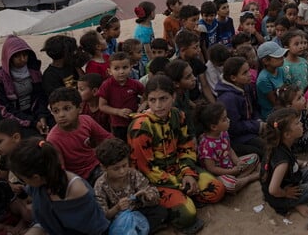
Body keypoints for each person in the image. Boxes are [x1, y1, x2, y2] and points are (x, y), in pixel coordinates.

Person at [128, 76, 225, 234]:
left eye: (163, 99)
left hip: (179, 168)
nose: (158, 105)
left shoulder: (178, 116)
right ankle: (184, 196)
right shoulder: (140, 127)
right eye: (152, 100)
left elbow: (186, 146)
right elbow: (145, 169)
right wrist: (180, 183)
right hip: (155, 180)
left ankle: (186, 194)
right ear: (147, 100)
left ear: (173, 97)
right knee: (187, 214)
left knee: (217, 190)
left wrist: (188, 173)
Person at [9, 139, 109, 235]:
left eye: (23, 179)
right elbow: (44, 221)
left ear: (36, 177)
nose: (25, 183)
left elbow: (95, 229)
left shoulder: (76, 190)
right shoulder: (38, 185)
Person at [260, 108, 308, 234]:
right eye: (297, 123)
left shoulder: (280, 146)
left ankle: (298, 202)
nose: (301, 124)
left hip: (288, 182)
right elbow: (273, 189)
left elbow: (290, 162)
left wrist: (302, 163)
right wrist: (285, 193)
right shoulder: (282, 161)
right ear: (287, 134)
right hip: (280, 197)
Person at [94, 138, 168, 233]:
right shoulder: (100, 185)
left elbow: (151, 192)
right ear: (103, 167)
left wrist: (147, 196)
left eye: (124, 165)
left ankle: (137, 229)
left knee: (161, 212)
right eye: (116, 169)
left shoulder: (133, 174)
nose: (122, 171)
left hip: (138, 212)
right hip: (116, 220)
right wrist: (117, 208)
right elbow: (103, 215)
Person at [46, 87, 113, 185]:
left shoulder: (86, 120)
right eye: (56, 111)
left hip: (97, 166)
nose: (61, 115)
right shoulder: (53, 139)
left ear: (80, 108)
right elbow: (60, 171)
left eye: (67, 109)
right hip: (76, 178)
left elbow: (108, 139)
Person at [0, 35, 50, 138]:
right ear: (9, 57)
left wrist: (42, 117)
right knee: (31, 140)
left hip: (34, 112)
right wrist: (32, 123)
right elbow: (3, 109)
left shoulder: (34, 71)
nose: (22, 59)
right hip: (10, 118)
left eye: (25, 55)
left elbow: (40, 97)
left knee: (54, 130)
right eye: (17, 56)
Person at [196, 103, 260, 194]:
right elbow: (211, 168)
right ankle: (249, 178)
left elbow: (229, 149)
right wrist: (230, 172)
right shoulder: (207, 145)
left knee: (254, 158)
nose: (228, 120)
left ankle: (238, 178)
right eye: (224, 119)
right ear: (214, 127)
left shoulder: (223, 133)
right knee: (230, 185)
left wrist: (237, 162)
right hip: (219, 175)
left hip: (231, 167)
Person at [216, 57, 265, 158]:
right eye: (245, 73)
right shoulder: (228, 99)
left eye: (248, 70)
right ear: (233, 78)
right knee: (264, 150)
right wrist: (257, 126)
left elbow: (254, 107)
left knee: (273, 140)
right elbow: (234, 127)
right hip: (237, 138)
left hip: (250, 129)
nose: (249, 74)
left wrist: (258, 120)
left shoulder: (246, 86)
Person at [0, 150, 32, 235]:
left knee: (31, 211)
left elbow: (14, 203)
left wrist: (23, 212)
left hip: (11, 220)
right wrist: (2, 227)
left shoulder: (1, 184)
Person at [98, 52, 145, 140]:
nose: (121, 72)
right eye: (116, 68)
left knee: (136, 143)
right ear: (110, 71)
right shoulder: (106, 85)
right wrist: (118, 111)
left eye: (125, 67)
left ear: (131, 68)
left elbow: (147, 95)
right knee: (121, 146)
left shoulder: (135, 84)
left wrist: (143, 105)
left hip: (136, 121)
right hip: (117, 125)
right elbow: (102, 106)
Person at [256, 42, 288, 119]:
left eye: (282, 55)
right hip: (272, 113)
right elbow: (275, 102)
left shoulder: (280, 69)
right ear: (266, 61)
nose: (282, 58)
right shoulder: (263, 79)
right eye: (278, 57)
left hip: (283, 105)